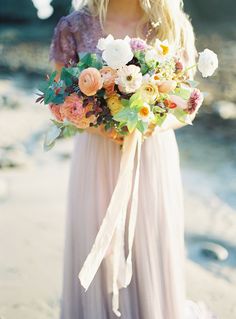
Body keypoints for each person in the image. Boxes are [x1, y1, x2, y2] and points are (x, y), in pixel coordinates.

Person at [49, 1, 217, 318]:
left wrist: (152, 124)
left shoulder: (170, 23)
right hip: (96, 156)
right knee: (93, 239)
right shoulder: (73, 26)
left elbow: (187, 104)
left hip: (152, 154)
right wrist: (103, 128)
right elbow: (60, 99)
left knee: (150, 245)